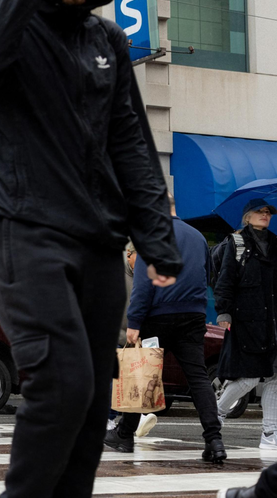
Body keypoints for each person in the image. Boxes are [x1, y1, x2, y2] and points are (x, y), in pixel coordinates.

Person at [0, 0, 183, 497]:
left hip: (97, 238)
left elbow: (130, 142)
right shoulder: (4, 23)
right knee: (60, 382)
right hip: (19, 224)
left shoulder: (107, 43)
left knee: (89, 397)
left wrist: (156, 237)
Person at [104, 195, 224, 460]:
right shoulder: (197, 237)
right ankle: (214, 441)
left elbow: (143, 286)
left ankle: (124, 435)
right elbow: (208, 275)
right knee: (198, 378)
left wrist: (134, 322)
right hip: (193, 316)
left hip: (159, 317)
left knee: (142, 374)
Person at [214, 199, 277, 449]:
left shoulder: (275, 244)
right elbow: (225, 280)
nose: (265, 215)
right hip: (247, 321)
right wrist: (224, 313)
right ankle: (216, 413)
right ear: (247, 217)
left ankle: (270, 434)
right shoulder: (236, 243)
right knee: (250, 377)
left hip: (273, 323)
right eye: (260, 212)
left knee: (274, 378)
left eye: (268, 212)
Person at [106, 242, 158, 438]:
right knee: (117, 377)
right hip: (118, 330)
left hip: (135, 331)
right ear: (129, 254)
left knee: (138, 376)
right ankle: (110, 418)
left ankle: (138, 415)